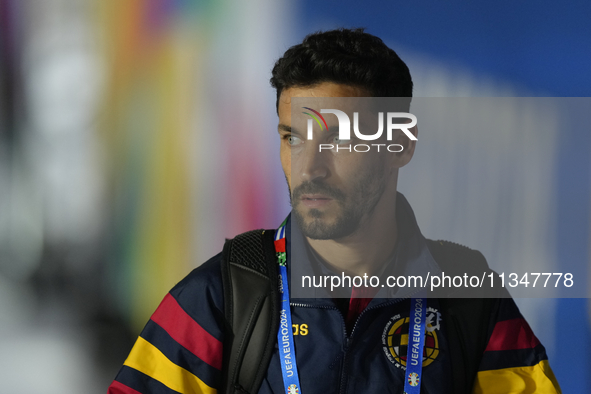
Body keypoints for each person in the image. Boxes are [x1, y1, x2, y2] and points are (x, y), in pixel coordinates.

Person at [107, 28, 561, 394]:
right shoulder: (221, 298)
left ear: (400, 145)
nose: (310, 168)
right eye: (293, 138)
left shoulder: (467, 296)